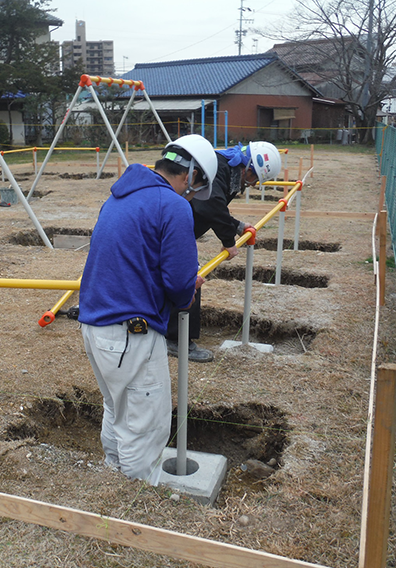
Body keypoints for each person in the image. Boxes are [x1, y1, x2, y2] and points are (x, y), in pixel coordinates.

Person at [78, 134, 218, 485]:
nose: (191, 195)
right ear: (191, 176)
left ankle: (115, 480)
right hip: (130, 332)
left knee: (117, 408)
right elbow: (178, 280)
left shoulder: (119, 196)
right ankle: (137, 504)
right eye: (194, 187)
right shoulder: (171, 205)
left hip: (96, 325)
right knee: (146, 424)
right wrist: (187, 292)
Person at [166, 141, 281, 362]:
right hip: (171, 229)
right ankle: (177, 340)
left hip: (176, 228)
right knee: (189, 274)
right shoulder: (218, 168)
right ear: (248, 170)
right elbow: (208, 205)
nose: (252, 185)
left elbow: (214, 206)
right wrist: (228, 239)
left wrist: (237, 227)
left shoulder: (225, 169)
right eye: (253, 180)